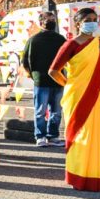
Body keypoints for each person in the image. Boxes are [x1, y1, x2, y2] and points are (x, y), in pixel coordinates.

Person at [48, 7, 100, 192]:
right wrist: (69, 84)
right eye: (87, 20)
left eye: (94, 19)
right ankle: (77, 176)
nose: (92, 22)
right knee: (79, 136)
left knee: (97, 136)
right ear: (78, 23)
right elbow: (53, 71)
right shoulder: (71, 44)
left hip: (98, 95)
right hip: (76, 95)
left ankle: (95, 176)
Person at [20, 10, 66, 146]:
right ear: (40, 23)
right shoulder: (33, 40)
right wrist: (34, 76)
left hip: (58, 80)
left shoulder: (61, 39)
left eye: (53, 20)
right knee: (40, 111)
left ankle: (53, 136)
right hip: (41, 81)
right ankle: (40, 136)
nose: (51, 22)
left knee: (56, 111)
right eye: (48, 20)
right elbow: (25, 61)